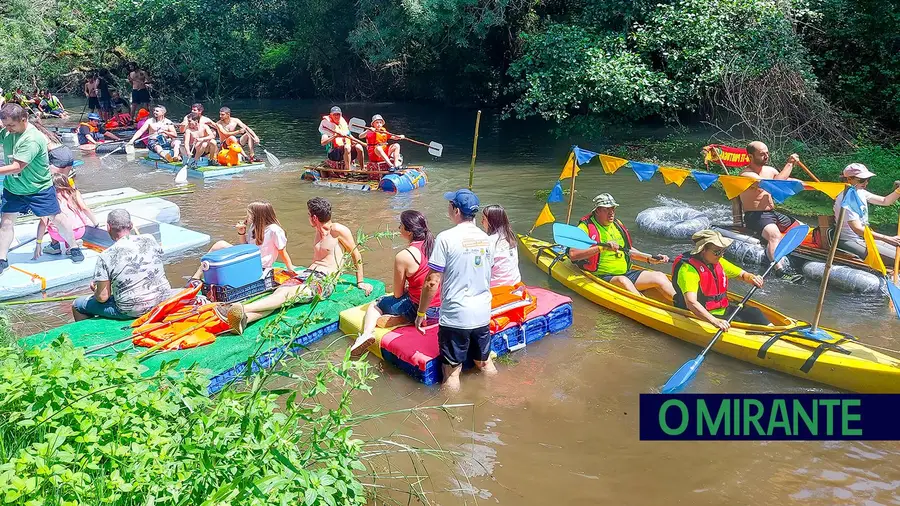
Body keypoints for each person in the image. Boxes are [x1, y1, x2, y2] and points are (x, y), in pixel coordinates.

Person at [219, 197, 374, 333]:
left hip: (325, 280)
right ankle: (245, 319)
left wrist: (360, 282)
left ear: (314, 218)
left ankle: (240, 309)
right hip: (307, 273)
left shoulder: (337, 230)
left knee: (289, 295)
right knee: (278, 295)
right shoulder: (318, 231)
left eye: (308, 215)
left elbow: (356, 254)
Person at [414, 189, 495, 392]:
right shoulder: (487, 239)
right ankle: (496, 399)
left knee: (451, 371)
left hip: (456, 316)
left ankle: (452, 421)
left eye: (450, 205)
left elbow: (432, 281)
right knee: (484, 363)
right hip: (483, 313)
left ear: (456, 210)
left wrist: (421, 313)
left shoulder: (446, 238)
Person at [0, 104, 83, 273]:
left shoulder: (32, 138)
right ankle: (2, 258)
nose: (7, 129)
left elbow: (17, 167)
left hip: (38, 188)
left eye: (11, 125)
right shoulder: (9, 131)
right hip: (14, 187)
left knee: (57, 218)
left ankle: (73, 246)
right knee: (6, 222)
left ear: (23, 120)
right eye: (5, 125)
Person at [349, 210, 441, 355]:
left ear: (409, 231)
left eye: (401, 225)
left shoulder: (405, 255)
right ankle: (402, 319)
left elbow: (397, 294)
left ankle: (366, 334)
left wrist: (407, 289)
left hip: (422, 312)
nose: (398, 228)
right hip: (442, 310)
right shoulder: (438, 245)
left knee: (376, 304)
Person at [72, 209, 176, 321]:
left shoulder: (105, 256)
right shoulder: (150, 239)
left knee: (77, 305)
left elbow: (102, 297)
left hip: (131, 310)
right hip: (163, 300)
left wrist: (97, 289)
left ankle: (90, 335)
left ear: (108, 227)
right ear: (131, 225)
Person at [568, 193, 675, 299]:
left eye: (613, 208)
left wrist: (649, 258)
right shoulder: (584, 227)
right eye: (606, 209)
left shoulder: (617, 224)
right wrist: (601, 248)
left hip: (626, 273)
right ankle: (645, 304)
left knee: (660, 276)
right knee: (622, 281)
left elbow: (628, 251)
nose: (611, 213)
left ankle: (683, 305)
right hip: (602, 276)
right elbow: (573, 254)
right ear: (597, 210)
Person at [673, 230, 770, 329]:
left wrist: (752, 278)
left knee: (754, 312)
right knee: (739, 320)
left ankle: (775, 332)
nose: (721, 255)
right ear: (703, 250)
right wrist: (714, 321)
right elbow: (691, 303)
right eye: (717, 252)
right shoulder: (688, 270)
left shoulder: (718, 262)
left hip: (723, 309)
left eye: (723, 251)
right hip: (702, 315)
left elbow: (743, 275)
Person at [739, 141, 803, 277]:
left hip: (772, 213)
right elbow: (772, 185)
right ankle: (780, 271)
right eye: (762, 154)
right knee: (774, 236)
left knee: (801, 228)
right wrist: (790, 163)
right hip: (756, 216)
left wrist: (804, 184)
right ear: (750, 156)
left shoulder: (770, 170)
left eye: (767, 153)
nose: (766, 156)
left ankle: (796, 256)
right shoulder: (746, 175)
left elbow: (784, 179)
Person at [191, 201, 295, 281]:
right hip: (249, 258)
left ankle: (198, 276)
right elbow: (246, 247)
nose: (247, 217)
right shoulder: (254, 227)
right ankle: (197, 275)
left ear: (257, 216)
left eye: (249, 214)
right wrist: (241, 233)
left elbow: (283, 252)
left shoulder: (274, 230)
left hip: (259, 265)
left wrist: (291, 270)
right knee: (220, 245)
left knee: (221, 246)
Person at [832, 163, 900, 266]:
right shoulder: (846, 198)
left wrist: (898, 191)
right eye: (862, 180)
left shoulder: (860, 192)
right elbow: (857, 229)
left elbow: (885, 201)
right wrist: (887, 238)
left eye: (868, 179)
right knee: (897, 260)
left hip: (865, 237)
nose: (866, 183)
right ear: (849, 179)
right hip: (851, 240)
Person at [39, 174, 101, 256]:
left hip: (58, 235)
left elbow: (43, 221)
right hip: (80, 231)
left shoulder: (50, 198)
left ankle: (55, 246)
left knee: (53, 222)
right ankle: (71, 245)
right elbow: (84, 208)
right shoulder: (74, 192)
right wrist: (96, 223)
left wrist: (38, 242)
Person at [481, 204, 521, 287]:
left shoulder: (488, 241)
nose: (481, 222)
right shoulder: (510, 238)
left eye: (484, 219)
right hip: (515, 282)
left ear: (492, 222)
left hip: (496, 287)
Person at [318, 106, 365, 170]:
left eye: (338, 114)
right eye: (334, 114)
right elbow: (323, 143)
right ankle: (347, 171)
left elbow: (351, 138)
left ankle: (362, 169)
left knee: (359, 147)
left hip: (344, 150)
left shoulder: (343, 125)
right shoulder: (327, 126)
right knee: (347, 147)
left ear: (341, 115)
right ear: (331, 115)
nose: (337, 116)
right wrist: (334, 136)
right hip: (333, 153)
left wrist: (363, 144)